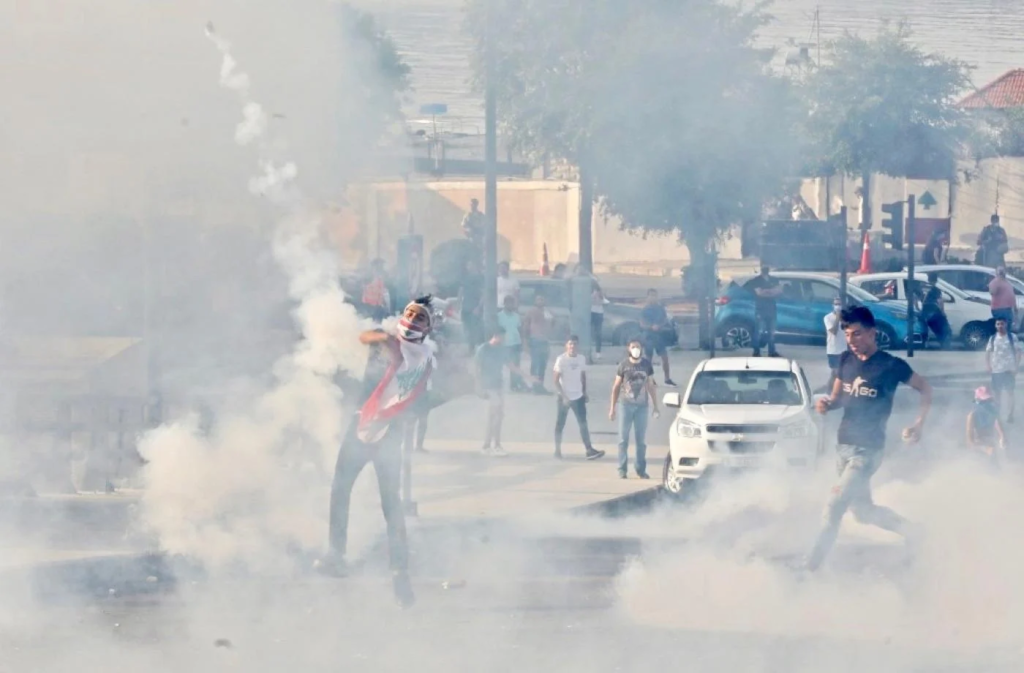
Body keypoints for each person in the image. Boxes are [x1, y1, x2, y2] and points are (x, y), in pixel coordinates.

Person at [323, 297, 439, 608]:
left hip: (389, 431)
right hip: (362, 420)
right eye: (411, 313)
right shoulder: (392, 342)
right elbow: (367, 341)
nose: (413, 319)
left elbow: (409, 380)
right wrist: (381, 338)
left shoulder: (422, 355)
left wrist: (384, 339)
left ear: (429, 327)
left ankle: (399, 570)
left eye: (421, 317)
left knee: (391, 503)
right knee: (340, 488)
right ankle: (336, 554)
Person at [807, 305, 932, 572]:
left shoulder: (891, 365)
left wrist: (919, 423)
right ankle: (914, 532)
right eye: (849, 335)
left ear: (873, 333)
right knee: (862, 512)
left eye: (858, 334)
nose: (853, 341)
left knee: (834, 504)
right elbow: (838, 397)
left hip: (868, 450)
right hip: (843, 446)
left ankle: (810, 567)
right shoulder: (844, 361)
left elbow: (925, 388)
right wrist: (827, 404)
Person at [475, 328, 533, 456]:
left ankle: (490, 445)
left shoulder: (502, 349)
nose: (503, 340)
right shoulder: (483, 349)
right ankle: (492, 445)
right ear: (495, 335)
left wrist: (527, 376)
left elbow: (511, 366)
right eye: (502, 337)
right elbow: (477, 368)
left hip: (498, 385)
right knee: (495, 415)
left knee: (497, 416)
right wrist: (478, 387)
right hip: (488, 386)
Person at [609, 338, 660, 479]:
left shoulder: (646, 365)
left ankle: (640, 469)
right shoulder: (623, 365)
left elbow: (650, 385)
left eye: (638, 346)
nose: (636, 349)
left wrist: (655, 406)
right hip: (625, 405)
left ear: (641, 348)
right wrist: (612, 408)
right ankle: (622, 468)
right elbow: (616, 387)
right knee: (623, 439)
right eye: (633, 347)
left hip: (642, 407)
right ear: (628, 348)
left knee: (641, 441)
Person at [553, 335, 605, 461]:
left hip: (578, 396)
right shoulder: (561, 359)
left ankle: (589, 450)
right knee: (560, 424)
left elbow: (583, 376)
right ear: (566, 345)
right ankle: (557, 450)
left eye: (575, 344)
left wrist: (584, 392)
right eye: (570, 343)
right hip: (564, 397)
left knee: (583, 424)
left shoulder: (581, 359)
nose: (572, 346)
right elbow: (555, 380)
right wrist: (564, 396)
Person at [639, 289, 676, 386]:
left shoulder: (660, 309)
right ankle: (649, 379)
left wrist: (660, 326)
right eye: (651, 295)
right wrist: (651, 327)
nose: (653, 297)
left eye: (654, 295)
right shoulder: (645, 310)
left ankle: (667, 379)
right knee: (648, 359)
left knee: (665, 358)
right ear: (647, 297)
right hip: (648, 336)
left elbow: (664, 320)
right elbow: (642, 323)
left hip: (659, 336)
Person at [987, 316, 1020, 423]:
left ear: (1006, 324)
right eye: (998, 324)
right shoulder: (992, 338)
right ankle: (997, 414)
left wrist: (1016, 366)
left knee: (1010, 393)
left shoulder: (1012, 337)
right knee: (997, 394)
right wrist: (988, 366)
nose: (1000, 326)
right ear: (995, 326)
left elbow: (1018, 352)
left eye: (1002, 324)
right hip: (996, 370)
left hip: (1009, 369)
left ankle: (1010, 415)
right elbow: (988, 352)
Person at [745, 265, 782, 358]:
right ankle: (756, 351)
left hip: (772, 309)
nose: (765, 268)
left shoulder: (774, 279)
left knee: (772, 332)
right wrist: (771, 292)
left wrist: (765, 291)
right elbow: (759, 293)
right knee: (759, 331)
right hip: (760, 310)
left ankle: (772, 351)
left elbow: (778, 291)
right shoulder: (756, 280)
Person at [967, 386, 1006, 465]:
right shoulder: (972, 415)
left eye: (990, 400)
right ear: (977, 401)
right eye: (985, 401)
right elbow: (970, 440)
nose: (989, 403)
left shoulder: (993, 412)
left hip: (990, 442)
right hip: (979, 446)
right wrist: (985, 449)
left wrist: (1003, 437)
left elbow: (998, 424)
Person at [523, 293, 553, 393]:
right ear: (535, 301)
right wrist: (526, 342)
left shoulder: (547, 312)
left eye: (542, 299)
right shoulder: (531, 312)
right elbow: (526, 327)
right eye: (538, 299)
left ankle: (540, 386)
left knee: (543, 365)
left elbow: (552, 324)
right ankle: (535, 386)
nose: (541, 301)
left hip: (545, 341)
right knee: (535, 364)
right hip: (535, 340)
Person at [497, 294, 526, 391]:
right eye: (509, 303)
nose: (511, 305)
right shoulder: (499, 316)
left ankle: (514, 385)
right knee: (502, 365)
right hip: (505, 344)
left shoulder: (516, 316)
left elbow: (520, 329)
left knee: (516, 365)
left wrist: (522, 342)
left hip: (516, 343)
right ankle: (498, 384)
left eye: (512, 303)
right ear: (504, 304)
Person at [919, 276, 952, 349]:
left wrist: (921, 309)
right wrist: (943, 312)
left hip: (925, 313)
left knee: (929, 328)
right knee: (943, 328)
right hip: (933, 312)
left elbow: (923, 300)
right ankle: (944, 344)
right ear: (936, 281)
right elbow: (940, 301)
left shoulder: (924, 288)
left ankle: (924, 343)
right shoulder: (936, 289)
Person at [459, 258, 485, 351]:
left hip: (475, 307)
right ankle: (471, 348)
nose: (469, 267)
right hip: (466, 307)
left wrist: (479, 307)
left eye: (470, 264)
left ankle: (478, 349)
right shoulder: (465, 277)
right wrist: (459, 303)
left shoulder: (480, 277)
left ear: (475, 265)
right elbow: (461, 291)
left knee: (476, 329)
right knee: (467, 328)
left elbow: (484, 293)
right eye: (467, 265)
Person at [824, 296, 847, 388]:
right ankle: (829, 388)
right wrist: (837, 317)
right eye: (836, 304)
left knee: (842, 372)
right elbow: (834, 331)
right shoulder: (828, 318)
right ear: (833, 305)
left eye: (839, 304)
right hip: (833, 349)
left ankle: (835, 388)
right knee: (835, 372)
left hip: (844, 349)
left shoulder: (846, 317)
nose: (838, 306)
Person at [591, 278, 609, 361]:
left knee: (598, 333)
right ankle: (592, 351)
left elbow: (605, 302)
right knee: (590, 333)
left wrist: (600, 297)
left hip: (598, 313)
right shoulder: (587, 291)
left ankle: (598, 352)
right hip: (591, 312)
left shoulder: (599, 292)